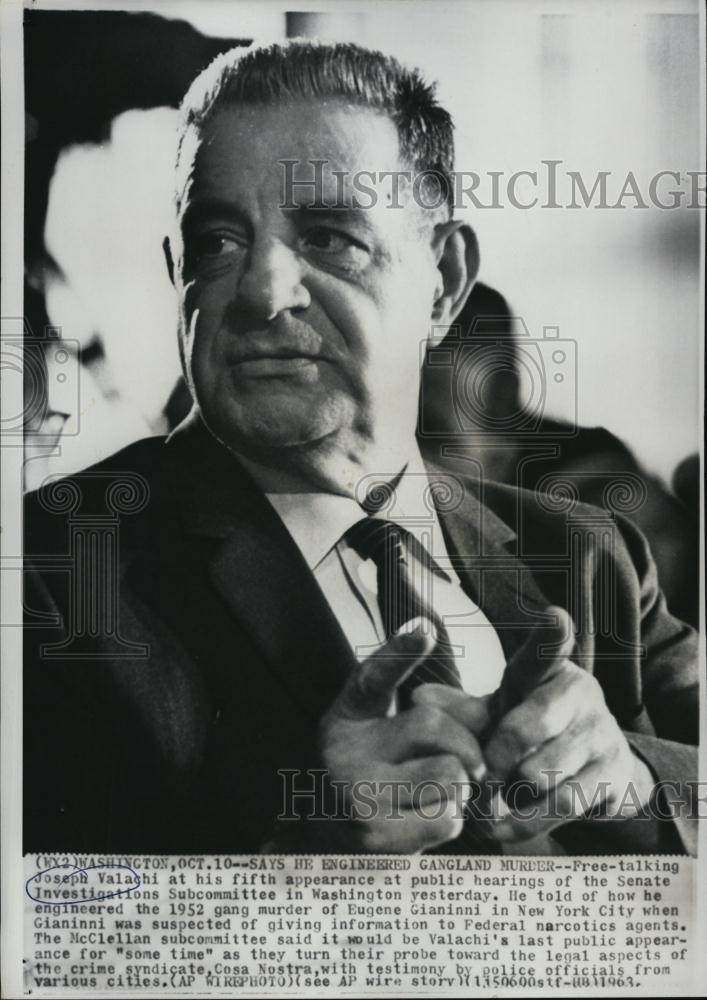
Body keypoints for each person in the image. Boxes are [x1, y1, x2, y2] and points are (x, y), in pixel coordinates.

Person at [24, 40, 699, 856]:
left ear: (445, 280)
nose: (263, 291)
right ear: (178, 275)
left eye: (329, 237)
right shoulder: (59, 572)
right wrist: (308, 859)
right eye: (216, 241)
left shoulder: (594, 559)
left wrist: (633, 778)